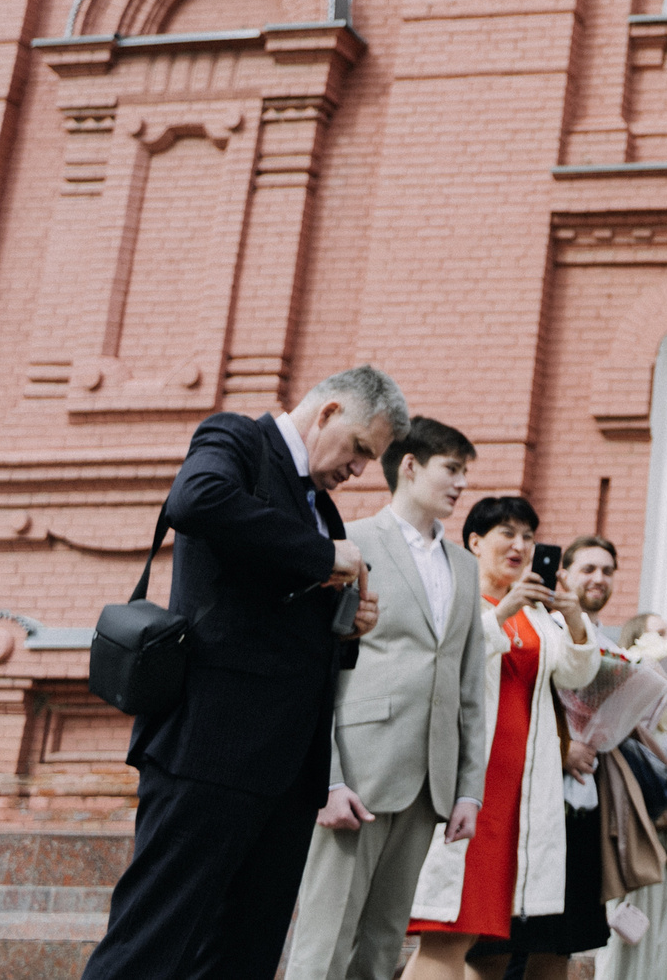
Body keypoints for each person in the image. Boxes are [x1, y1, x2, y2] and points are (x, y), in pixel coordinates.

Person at [81, 365, 404, 980]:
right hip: (207, 749)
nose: (360, 469)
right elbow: (194, 500)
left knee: (243, 956)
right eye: (361, 449)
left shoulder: (324, 512)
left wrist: (346, 628)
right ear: (329, 412)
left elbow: (278, 622)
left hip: (286, 770)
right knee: (152, 940)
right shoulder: (235, 438)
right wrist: (321, 556)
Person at [287, 415, 490, 980]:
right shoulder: (348, 542)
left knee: (381, 948)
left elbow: (470, 685)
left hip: (430, 782)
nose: (461, 485)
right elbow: (315, 674)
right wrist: (326, 780)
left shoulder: (466, 569)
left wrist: (468, 789)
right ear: (409, 466)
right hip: (356, 775)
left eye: (465, 473)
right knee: (324, 940)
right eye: (452, 468)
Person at [402, 496, 601, 980]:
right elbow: (444, 660)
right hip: (469, 785)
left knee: (488, 942)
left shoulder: (536, 616)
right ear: (474, 541)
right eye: (506, 533)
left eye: (528, 536)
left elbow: (577, 673)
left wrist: (573, 621)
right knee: (447, 931)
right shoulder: (455, 592)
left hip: (520, 795)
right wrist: (501, 610)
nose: (520, 545)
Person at [494, 535, 629, 980]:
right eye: (588, 568)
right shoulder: (537, 629)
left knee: (565, 942)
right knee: (512, 944)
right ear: (563, 574)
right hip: (537, 802)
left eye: (607, 570)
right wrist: (564, 749)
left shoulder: (606, 642)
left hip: (586, 805)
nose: (599, 578)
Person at [594, 611, 667, 980]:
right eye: (660, 632)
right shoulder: (628, 689)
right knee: (627, 928)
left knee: (655, 930)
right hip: (635, 825)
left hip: (665, 825)